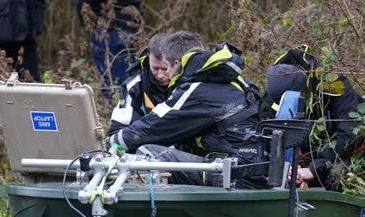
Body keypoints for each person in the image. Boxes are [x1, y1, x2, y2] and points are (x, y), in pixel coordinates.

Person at [108, 39, 267, 188]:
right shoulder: (227, 79)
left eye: (166, 68)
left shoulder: (197, 88)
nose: (165, 76)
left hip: (237, 173)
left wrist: (113, 143)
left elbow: (155, 125)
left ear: (176, 64)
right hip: (254, 167)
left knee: (149, 152)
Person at [262, 47, 365, 189]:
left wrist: (313, 169)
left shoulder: (335, 86)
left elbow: (350, 134)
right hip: (305, 157)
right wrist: (287, 164)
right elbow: (268, 132)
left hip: (347, 155)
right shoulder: (274, 92)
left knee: (338, 176)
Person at [107, 30, 204, 137]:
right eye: (155, 68)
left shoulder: (192, 83)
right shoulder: (135, 85)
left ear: (176, 63)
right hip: (144, 143)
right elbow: (117, 130)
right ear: (148, 59)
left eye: (165, 68)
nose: (160, 75)